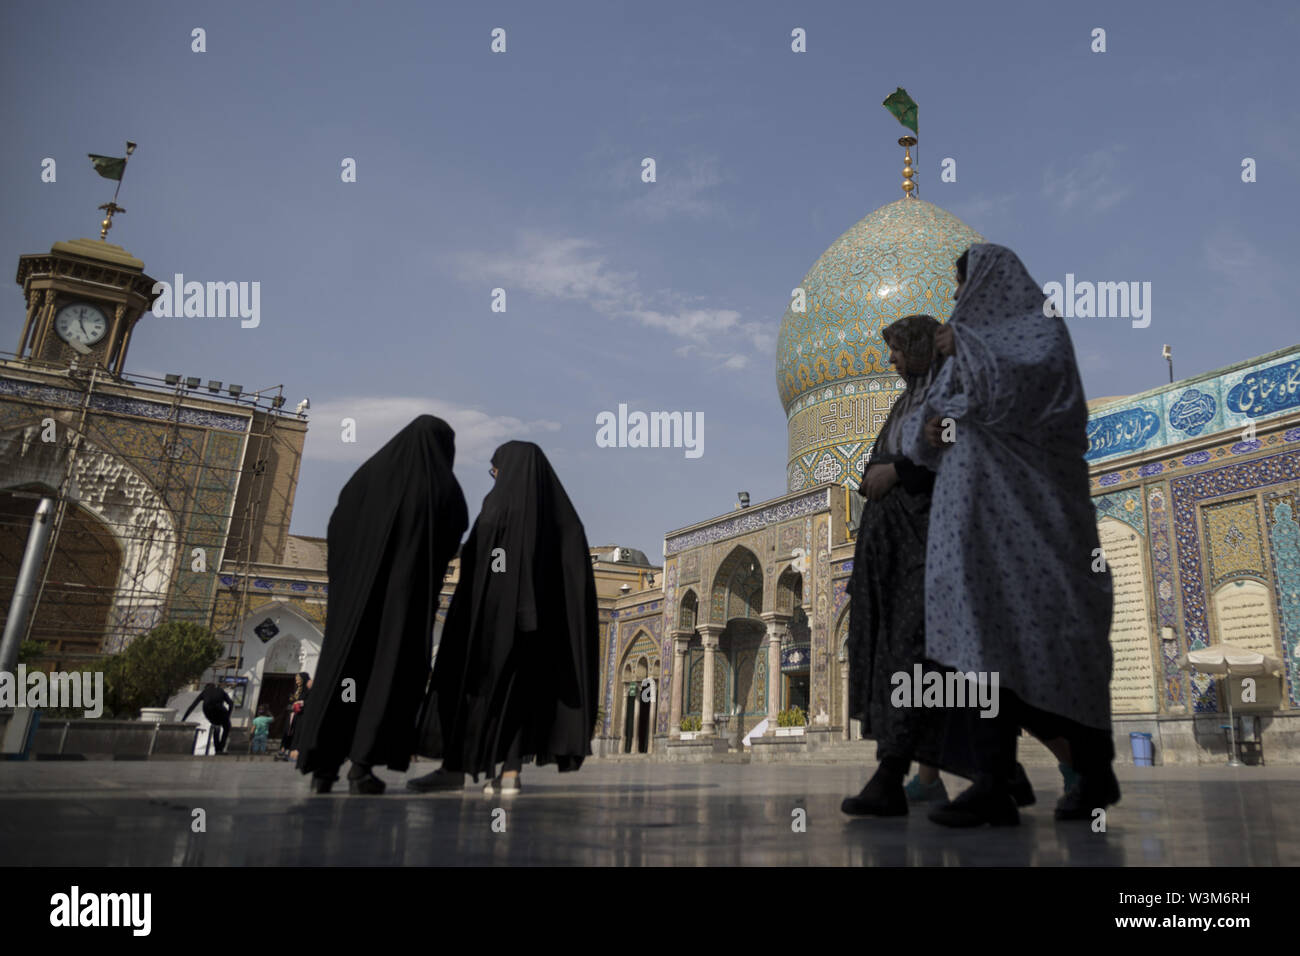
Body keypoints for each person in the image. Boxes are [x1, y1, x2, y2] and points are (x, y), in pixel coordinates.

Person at [901, 244, 1117, 826]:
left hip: (1034, 527)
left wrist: (964, 348)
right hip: (970, 532)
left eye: (961, 289)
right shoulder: (965, 353)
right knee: (977, 648)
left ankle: (1089, 776)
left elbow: (1022, 397)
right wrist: (928, 431)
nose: (955, 303)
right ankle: (994, 782)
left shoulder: (1038, 338)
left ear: (989, 287)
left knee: (1051, 643)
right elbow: (931, 431)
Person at [841, 315, 1034, 816]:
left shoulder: (953, 394)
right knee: (908, 655)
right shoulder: (906, 402)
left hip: (933, 544)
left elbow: (957, 444)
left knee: (922, 654)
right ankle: (990, 776)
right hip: (896, 550)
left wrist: (900, 471)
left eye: (900, 349)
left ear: (926, 347)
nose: (892, 360)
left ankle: (903, 773)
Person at [408, 441, 599, 796]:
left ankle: (454, 768)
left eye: (496, 468)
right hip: (537, 630)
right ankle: (510, 773)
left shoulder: (497, 506)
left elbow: (485, 564)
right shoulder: (563, 518)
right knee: (519, 693)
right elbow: (575, 584)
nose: (494, 474)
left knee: (468, 689)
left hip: (486, 623)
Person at [293, 416, 468, 794]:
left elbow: (337, 528)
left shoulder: (364, 480)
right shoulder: (441, 486)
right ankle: (362, 767)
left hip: (352, 607)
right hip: (404, 611)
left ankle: (322, 768)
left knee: (344, 676)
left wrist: (353, 582)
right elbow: (453, 537)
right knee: (387, 678)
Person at [182, 683, 234, 754]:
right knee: (227, 727)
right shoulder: (220, 690)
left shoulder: (204, 692)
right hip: (220, 711)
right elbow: (231, 703)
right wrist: (228, 714)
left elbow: (192, 706)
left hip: (208, 712)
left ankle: (218, 748)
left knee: (216, 726)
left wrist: (183, 719)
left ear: (206, 687)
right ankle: (220, 749)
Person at [276, 672, 310, 761]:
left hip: (301, 716)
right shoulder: (297, 690)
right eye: (296, 679)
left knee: (296, 733)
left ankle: (294, 753)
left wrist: (301, 703)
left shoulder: (308, 691)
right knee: (288, 732)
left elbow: (310, 702)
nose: (297, 681)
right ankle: (285, 750)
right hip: (293, 714)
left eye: (298, 679)